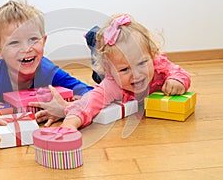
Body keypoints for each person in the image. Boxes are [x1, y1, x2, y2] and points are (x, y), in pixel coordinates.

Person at [0, 0, 92, 149]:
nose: (26, 49)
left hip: (11, 60)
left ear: (44, 41)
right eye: (14, 42)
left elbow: (89, 92)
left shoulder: (48, 70)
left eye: (33, 39)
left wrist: (66, 109)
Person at [59, 13, 191, 129]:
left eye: (142, 63)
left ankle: (97, 39)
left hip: (117, 68)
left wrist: (177, 80)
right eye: (125, 69)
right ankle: (92, 37)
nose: (136, 74)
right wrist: (70, 123)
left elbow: (179, 73)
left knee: (111, 57)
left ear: (152, 54)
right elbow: (89, 102)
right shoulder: (111, 83)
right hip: (104, 73)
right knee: (98, 70)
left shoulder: (159, 66)